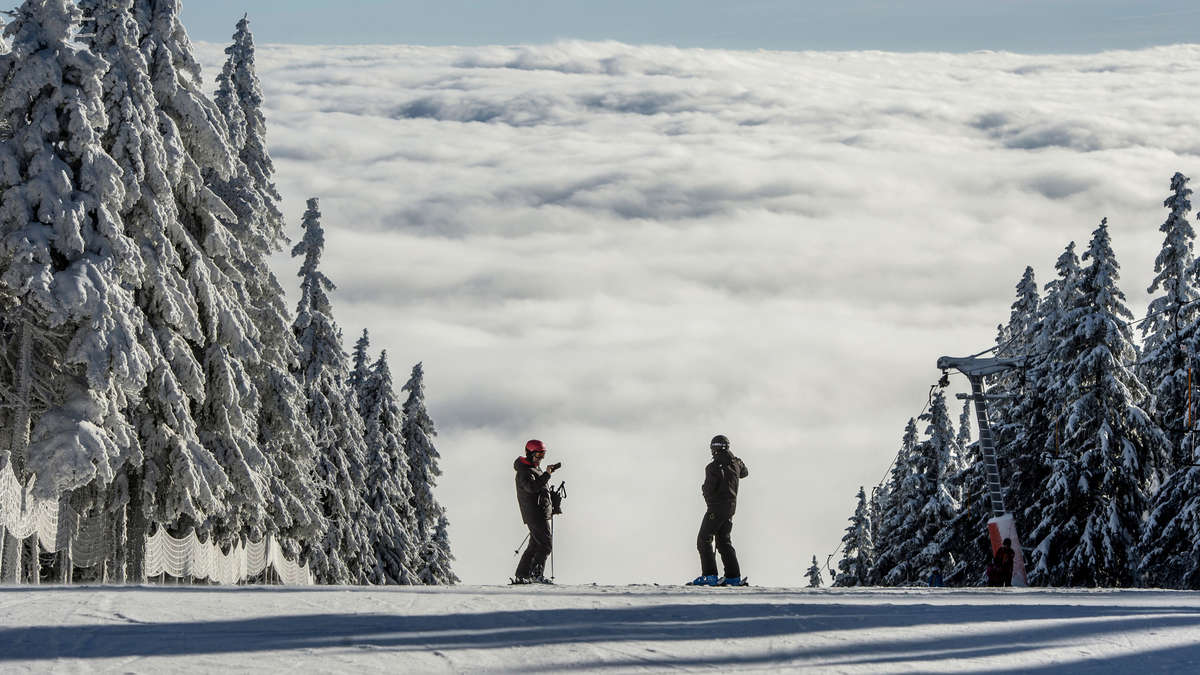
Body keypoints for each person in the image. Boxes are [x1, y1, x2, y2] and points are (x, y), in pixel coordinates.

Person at [692, 434, 749, 586]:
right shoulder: (735, 463)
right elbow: (745, 473)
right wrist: (736, 462)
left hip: (716, 508)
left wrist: (706, 495)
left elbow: (709, 489)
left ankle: (709, 575)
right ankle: (733, 576)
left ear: (713, 449)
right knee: (724, 541)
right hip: (731, 508)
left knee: (703, 539)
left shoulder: (712, 467)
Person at [513, 439, 561, 584]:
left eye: (542, 456)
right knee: (545, 544)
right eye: (538, 456)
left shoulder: (534, 468)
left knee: (535, 545)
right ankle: (535, 575)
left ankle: (522, 575)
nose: (540, 459)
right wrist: (546, 474)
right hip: (534, 514)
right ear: (529, 453)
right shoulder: (524, 471)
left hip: (539, 512)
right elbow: (531, 488)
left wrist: (551, 501)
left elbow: (539, 490)